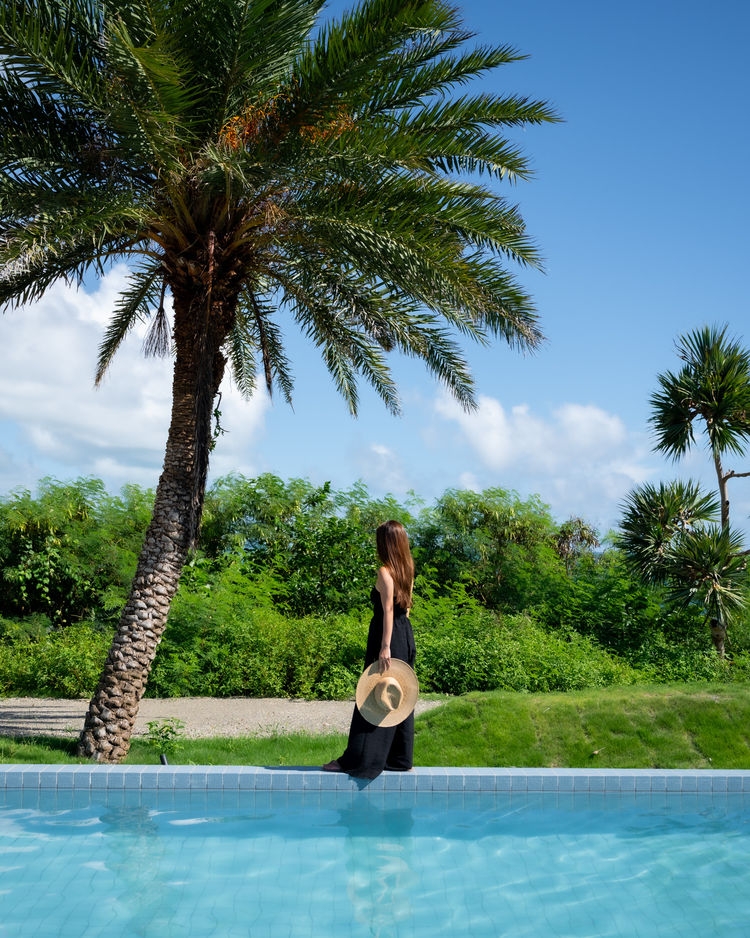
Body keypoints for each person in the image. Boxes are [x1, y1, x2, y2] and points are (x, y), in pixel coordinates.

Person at [323, 519, 417, 779]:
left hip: (386, 636)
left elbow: (387, 610)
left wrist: (385, 646)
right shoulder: (407, 568)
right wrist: (401, 640)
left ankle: (356, 758)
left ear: (385, 543)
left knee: (371, 696)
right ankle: (400, 758)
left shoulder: (385, 572)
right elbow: (406, 609)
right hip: (405, 634)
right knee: (399, 693)